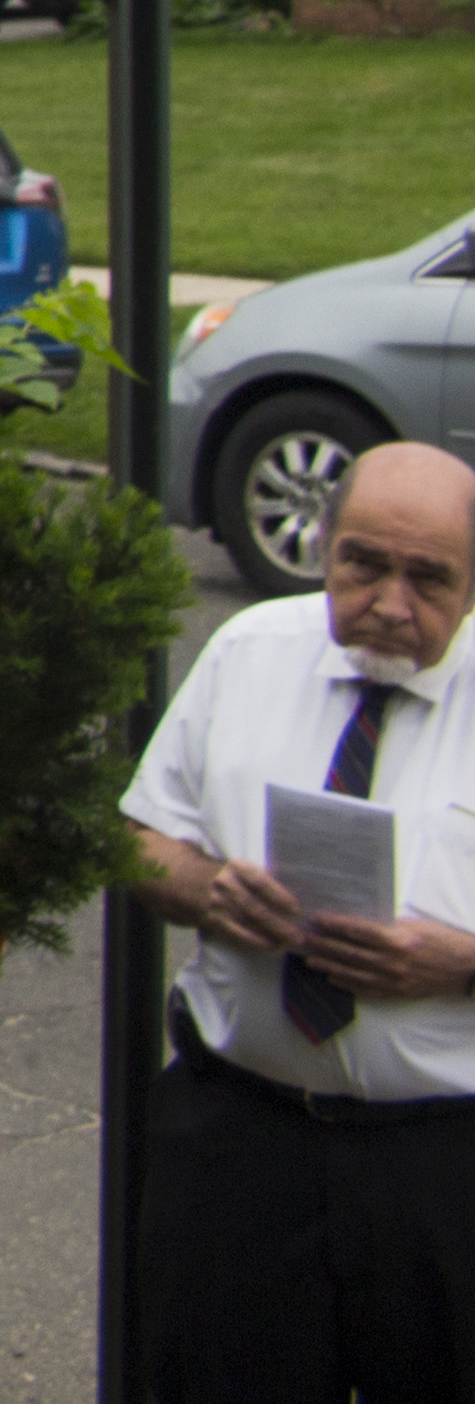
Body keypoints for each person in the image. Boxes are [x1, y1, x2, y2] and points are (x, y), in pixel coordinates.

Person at [122, 440, 475, 1402]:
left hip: (443, 1165)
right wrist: (206, 891)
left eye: (429, 578)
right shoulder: (249, 652)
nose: (389, 602)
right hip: (242, 1144)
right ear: (322, 544)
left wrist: (460, 964)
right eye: (363, 562)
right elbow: (140, 836)